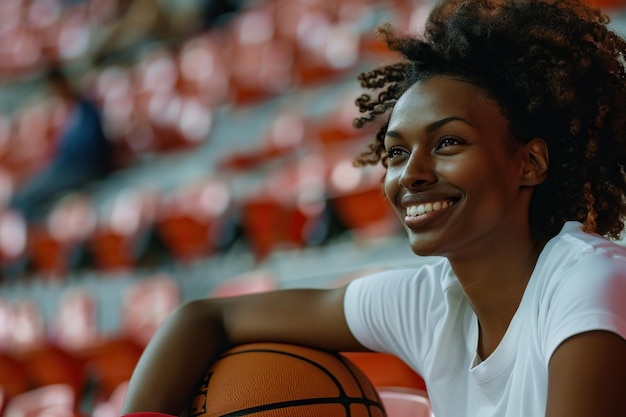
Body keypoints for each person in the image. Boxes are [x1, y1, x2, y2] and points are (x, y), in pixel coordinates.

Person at [121, 0, 626, 416]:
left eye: (448, 142)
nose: (412, 174)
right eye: (396, 153)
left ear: (530, 162)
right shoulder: (430, 304)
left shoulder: (586, 285)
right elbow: (203, 319)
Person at [9, 67, 113, 222]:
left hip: (84, 167)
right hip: (65, 166)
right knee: (21, 197)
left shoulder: (87, 111)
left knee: (29, 197)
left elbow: (89, 149)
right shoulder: (67, 113)